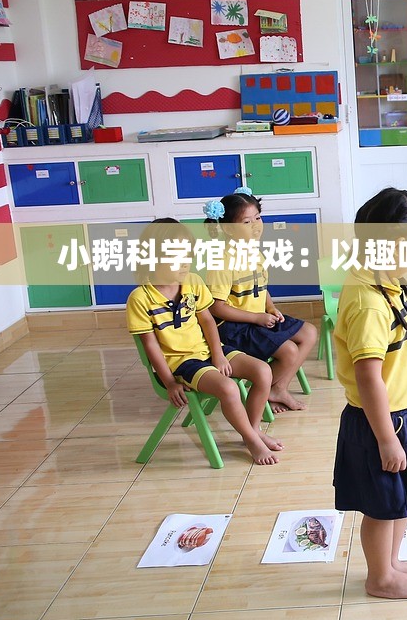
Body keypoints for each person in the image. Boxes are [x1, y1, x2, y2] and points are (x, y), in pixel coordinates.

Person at [333, 188, 407, 599]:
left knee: (399, 501)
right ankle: (379, 576)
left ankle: (392, 564)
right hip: (380, 423)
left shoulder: (387, 284)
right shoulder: (367, 302)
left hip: (403, 414)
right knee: (381, 506)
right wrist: (386, 437)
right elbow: (368, 378)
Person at [126, 219, 280, 465]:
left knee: (263, 370)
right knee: (229, 388)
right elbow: (150, 346)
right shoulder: (140, 298)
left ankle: (253, 430)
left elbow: (208, 321)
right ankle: (252, 440)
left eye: (188, 254)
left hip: (209, 351)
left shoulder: (193, 282)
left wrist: (218, 353)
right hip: (181, 363)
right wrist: (168, 383)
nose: (185, 262)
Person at [203, 188, 319, 413]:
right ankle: (264, 390)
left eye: (258, 218)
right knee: (289, 352)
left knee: (309, 333)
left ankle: (278, 388)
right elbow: (216, 308)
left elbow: (261, 288)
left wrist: (271, 307)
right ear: (228, 228)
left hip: (259, 320)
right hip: (236, 327)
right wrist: (256, 317)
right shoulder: (222, 261)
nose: (256, 225)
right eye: (247, 222)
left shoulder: (255, 252)